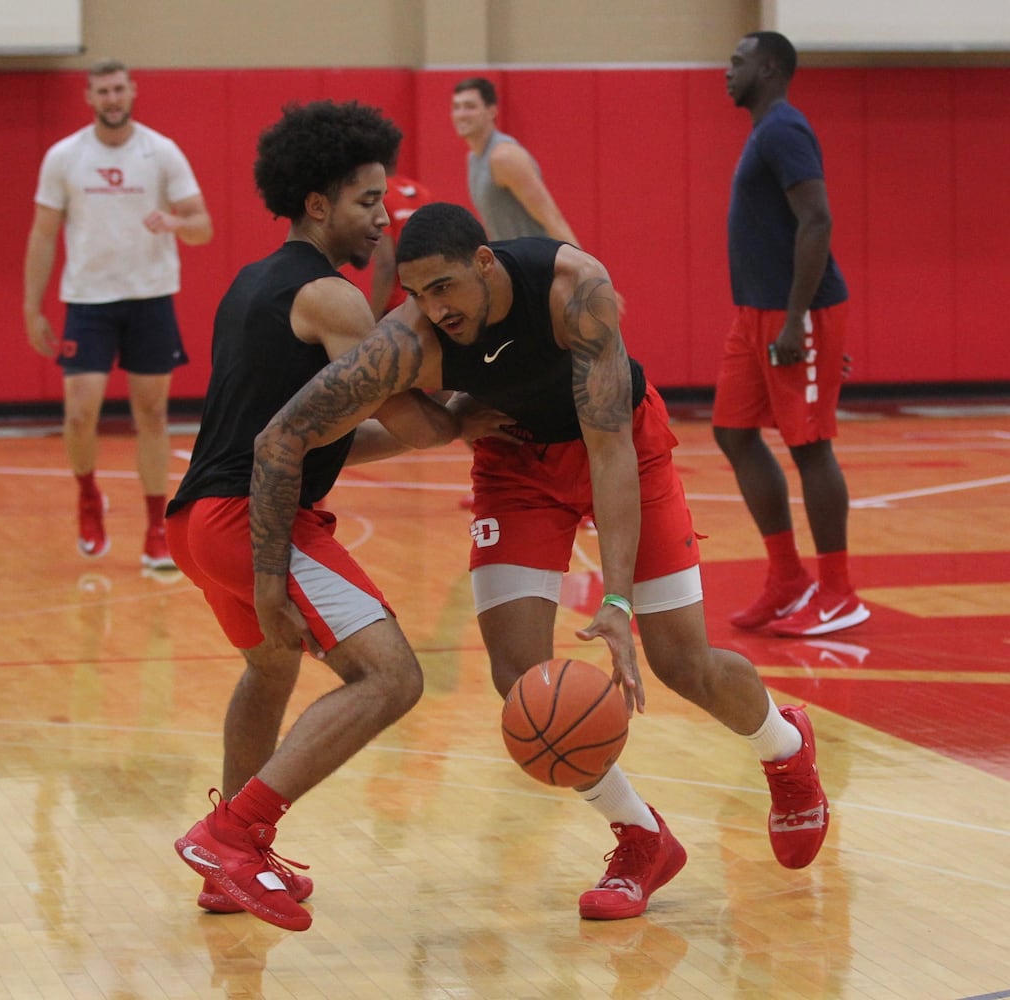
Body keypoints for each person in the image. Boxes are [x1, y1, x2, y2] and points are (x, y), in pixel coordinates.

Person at [251, 201, 832, 922]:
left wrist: (615, 603)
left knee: (681, 662)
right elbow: (295, 428)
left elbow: (610, 449)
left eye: (444, 288)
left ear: (485, 263)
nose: (433, 309)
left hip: (622, 447)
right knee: (521, 678)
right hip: (515, 461)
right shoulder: (407, 338)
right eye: (416, 294)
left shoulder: (573, 290)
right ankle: (639, 837)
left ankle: (784, 747)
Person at [166, 102, 476, 933]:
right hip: (251, 520)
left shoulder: (251, 281)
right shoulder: (333, 300)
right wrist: (476, 402)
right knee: (392, 677)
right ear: (317, 205)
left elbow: (329, 433)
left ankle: (229, 868)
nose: (383, 218)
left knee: (269, 670)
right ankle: (233, 835)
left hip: (195, 520)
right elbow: (415, 420)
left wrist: (431, 426)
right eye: (367, 201)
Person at [23, 59, 213, 570]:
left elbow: (202, 226)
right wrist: (31, 306)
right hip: (86, 301)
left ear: (132, 92)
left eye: (118, 89)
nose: (111, 98)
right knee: (79, 412)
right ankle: (88, 495)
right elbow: (43, 234)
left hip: (150, 297)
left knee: (150, 415)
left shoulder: (160, 151)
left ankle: (156, 526)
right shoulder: (64, 157)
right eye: (102, 91)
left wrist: (174, 220)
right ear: (89, 97)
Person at [712, 31, 869, 637]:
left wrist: (800, 320)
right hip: (754, 313)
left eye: (737, 60)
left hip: (788, 313)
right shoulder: (765, 131)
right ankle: (787, 579)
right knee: (731, 431)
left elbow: (818, 218)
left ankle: (838, 592)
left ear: (770, 67)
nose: (727, 72)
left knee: (810, 446)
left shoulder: (783, 129)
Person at [451, 76, 580, 244]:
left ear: (491, 111)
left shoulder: (504, 157)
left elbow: (552, 218)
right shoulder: (474, 158)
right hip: (511, 262)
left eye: (469, 107)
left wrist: (584, 267)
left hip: (537, 262)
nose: (461, 114)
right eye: (456, 107)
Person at [369, 162, 433, 319]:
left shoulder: (375, 197)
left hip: (396, 312)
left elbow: (386, 265)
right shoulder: (420, 192)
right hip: (426, 306)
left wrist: (373, 321)